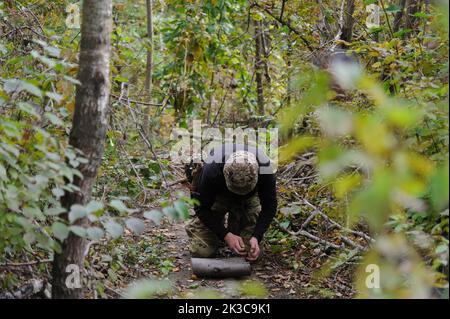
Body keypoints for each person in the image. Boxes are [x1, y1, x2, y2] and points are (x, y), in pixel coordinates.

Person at [185, 143, 277, 262]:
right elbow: (201, 208)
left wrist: (256, 237)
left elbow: (270, 206)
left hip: (248, 200)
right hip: (218, 196)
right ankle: (211, 224)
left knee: (247, 252)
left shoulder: (265, 168)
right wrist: (225, 235)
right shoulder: (212, 170)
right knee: (201, 251)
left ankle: (236, 226)